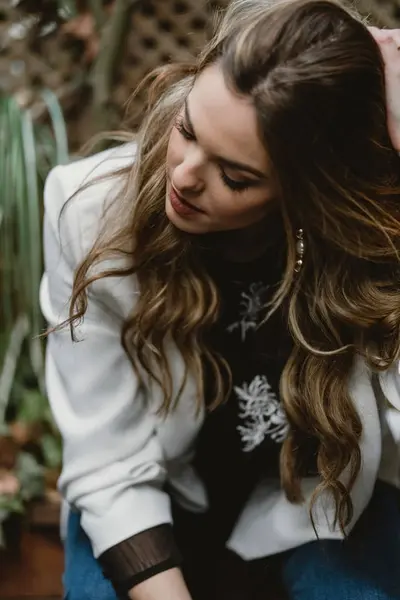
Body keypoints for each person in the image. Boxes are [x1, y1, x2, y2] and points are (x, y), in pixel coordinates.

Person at [40, 0, 400, 598]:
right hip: (151, 490)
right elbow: (107, 462)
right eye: (186, 129)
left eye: (234, 177)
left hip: (317, 499)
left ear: (310, 190)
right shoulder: (89, 213)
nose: (182, 176)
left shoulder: (366, 244)